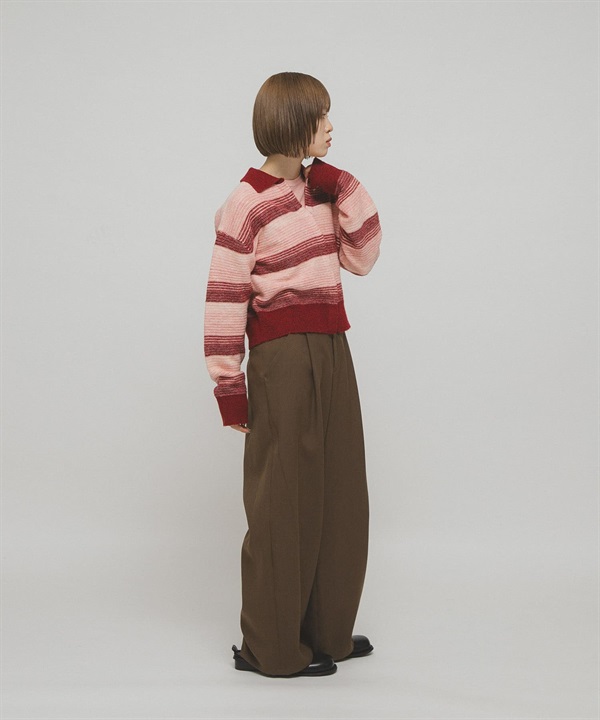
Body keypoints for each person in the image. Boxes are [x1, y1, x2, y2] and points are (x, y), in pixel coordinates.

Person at [204, 71, 382, 678]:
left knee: (340, 493)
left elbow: (363, 258)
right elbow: (224, 296)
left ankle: (327, 634)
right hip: (280, 360)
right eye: (320, 117)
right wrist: (229, 386)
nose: (331, 127)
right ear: (291, 124)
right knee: (284, 500)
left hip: (333, 348)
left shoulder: (322, 190)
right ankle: (272, 649)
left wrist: (344, 185)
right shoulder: (244, 204)